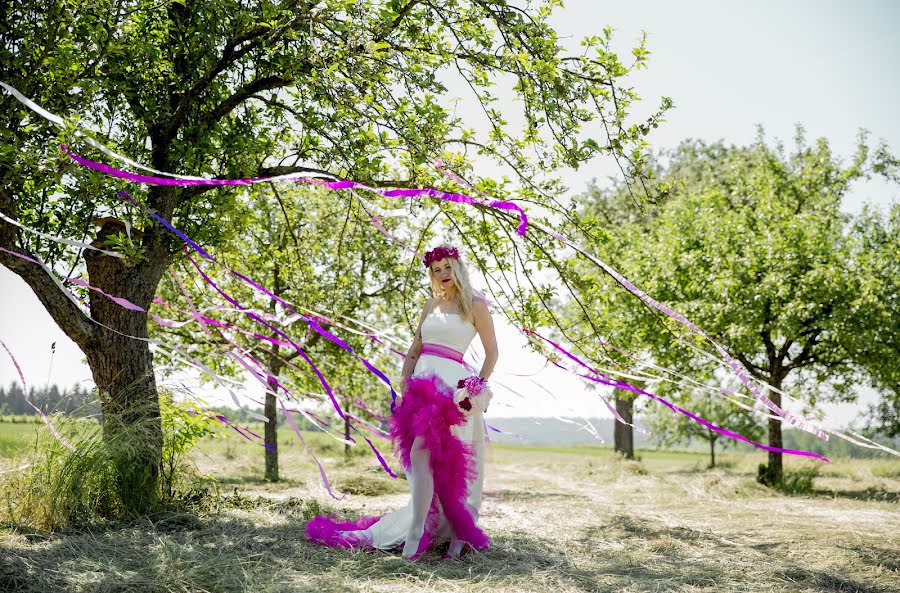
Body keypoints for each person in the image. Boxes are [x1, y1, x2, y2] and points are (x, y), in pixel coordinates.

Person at [307, 245, 499, 559]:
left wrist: (476, 388)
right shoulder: (430, 305)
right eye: (436, 270)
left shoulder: (475, 305)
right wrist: (405, 380)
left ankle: (449, 534)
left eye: (447, 267)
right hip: (422, 386)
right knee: (421, 457)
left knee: (450, 465)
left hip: (453, 391)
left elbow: (492, 352)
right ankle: (420, 526)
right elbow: (414, 349)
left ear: (458, 268)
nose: (443, 274)